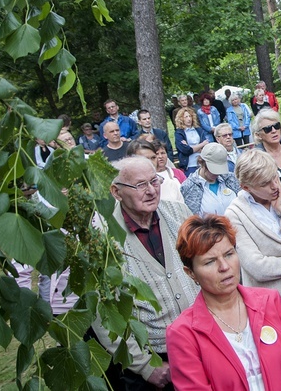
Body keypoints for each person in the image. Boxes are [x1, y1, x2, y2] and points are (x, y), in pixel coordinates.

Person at [166, 214, 281, 390]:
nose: (224, 267)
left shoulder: (270, 302)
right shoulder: (183, 333)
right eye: (210, 262)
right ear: (190, 273)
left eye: (229, 254)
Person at [92, 156, 196, 389]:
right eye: (140, 185)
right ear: (116, 192)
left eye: (154, 182)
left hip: (201, 344)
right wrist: (145, 366)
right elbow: (103, 313)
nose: (151, 191)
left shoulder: (179, 214)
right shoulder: (103, 235)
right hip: (155, 360)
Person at [224, 149, 281, 375]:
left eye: (275, 176)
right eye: (265, 183)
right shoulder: (235, 213)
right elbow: (256, 266)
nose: (275, 186)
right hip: (273, 306)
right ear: (246, 187)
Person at [181, 143, 241, 216]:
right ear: (201, 162)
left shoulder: (230, 178)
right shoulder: (189, 187)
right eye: (213, 169)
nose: (216, 173)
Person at [252, 109, 281, 187]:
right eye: (267, 129)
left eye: (276, 126)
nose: (274, 130)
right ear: (258, 135)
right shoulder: (256, 160)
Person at [174, 107, 211, 176]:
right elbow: (185, 150)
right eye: (185, 117)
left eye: (190, 116)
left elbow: (206, 145)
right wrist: (201, 145)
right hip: (189, 164)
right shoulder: (179, 133)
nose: (189, 119)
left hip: (202, 162)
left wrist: (191, 147)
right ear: (181, 119)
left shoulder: (199, 130)